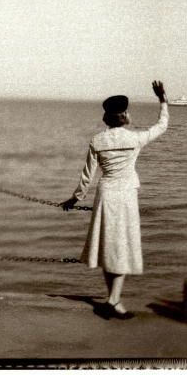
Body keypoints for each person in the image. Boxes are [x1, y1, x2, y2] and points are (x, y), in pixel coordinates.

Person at [61, 81, 169, 319]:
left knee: (110, 247)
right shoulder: (135, 139)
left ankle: (114, 300)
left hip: (106, 194)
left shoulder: (97, 140)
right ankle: (112, 300)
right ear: (123, 116)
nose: (129, 114)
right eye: (127, 111)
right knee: (121, 247)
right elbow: (162, 125)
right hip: (126, 195)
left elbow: (87, 176)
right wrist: (162, 99)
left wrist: (75, 199)